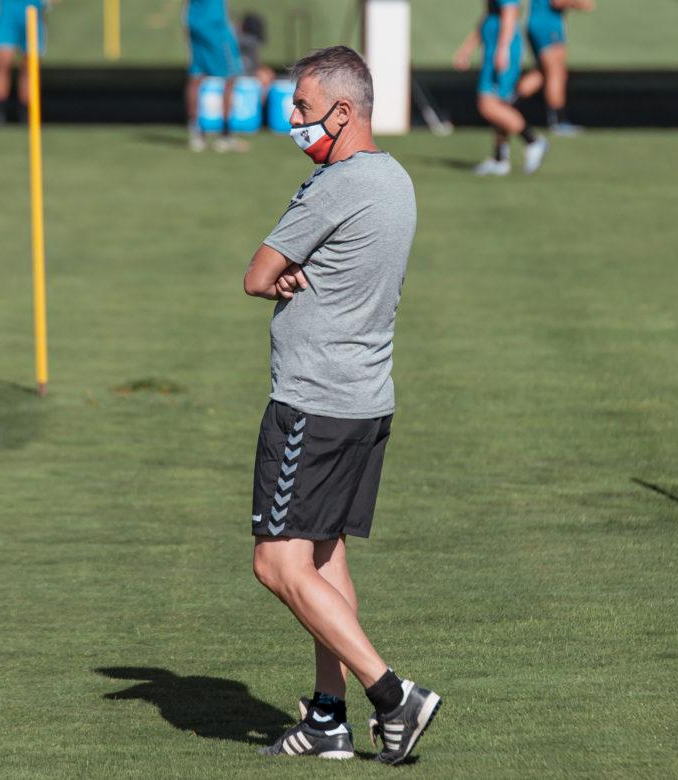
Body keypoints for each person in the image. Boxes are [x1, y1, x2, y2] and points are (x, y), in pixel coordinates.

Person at [242, 45, 441, 765]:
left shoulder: (331, 187)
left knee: (277, 564)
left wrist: (284, 274)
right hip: (365, 401)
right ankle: (328, 718)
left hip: (311, 404)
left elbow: (256, 275)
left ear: (344, 111)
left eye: (302, 107)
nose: (293, 119)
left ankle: (393, 695)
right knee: (324, 561)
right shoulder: (395, 179)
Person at [454, 0, 549, 176]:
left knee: (488, 105)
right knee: (499, 103)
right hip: (494, 48)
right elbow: (489, 15)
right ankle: (500, 158)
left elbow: (510, 12)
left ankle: (533, 141)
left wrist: (502, 49)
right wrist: (467, 48)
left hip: (501, 51)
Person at [514, 0, 595, 136]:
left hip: (539, 21)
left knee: (545, 72)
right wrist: (579, 3)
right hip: (547, 24)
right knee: (556, 72)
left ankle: (507, 100)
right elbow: (557, 2)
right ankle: (558, 120)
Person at [0, 0, 52, 126]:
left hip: (34, 9)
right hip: (7, 8)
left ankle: (27, 113)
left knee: (30, 64)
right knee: (3, 60)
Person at [186, 0, 247, 152]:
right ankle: (225, 136)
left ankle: (196, 133)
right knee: (231, 76)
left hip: (194, 21)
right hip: (214, 24)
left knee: (196, 75)